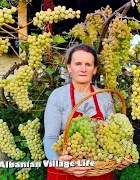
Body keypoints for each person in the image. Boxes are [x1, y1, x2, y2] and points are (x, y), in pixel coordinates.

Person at [43, 44, 131, 180]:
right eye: (78, 64)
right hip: (65, 171)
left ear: (95, 69)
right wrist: (59, 162)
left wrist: (123, 155)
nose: (83, 69)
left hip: (100, 171)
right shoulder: (58, 96)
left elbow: (116, 135)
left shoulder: (104, 97)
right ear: (69, 67)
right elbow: (50, 139)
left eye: (88, 64)